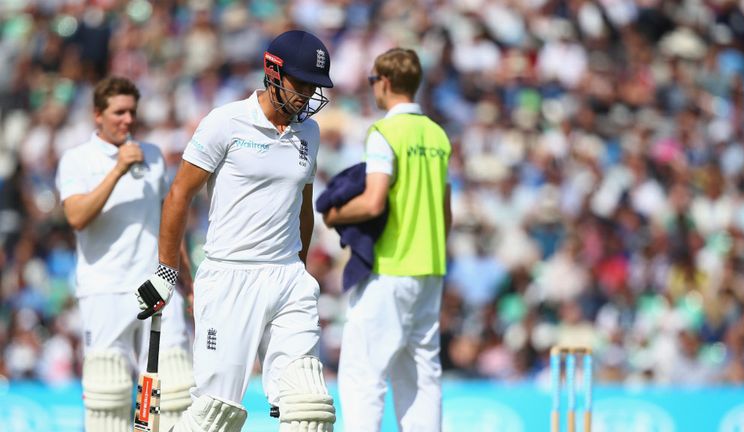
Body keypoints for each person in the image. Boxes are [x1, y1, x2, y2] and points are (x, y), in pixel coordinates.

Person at [134, 30, 337, 432]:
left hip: (288, 278)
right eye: (300, 83)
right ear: (273, 72)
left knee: (309, 406)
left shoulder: (309, 134)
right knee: (216, 414)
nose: (307, 95)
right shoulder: (226, 122)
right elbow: (178, 195)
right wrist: (166, 272)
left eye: (314, 86)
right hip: (230, 277)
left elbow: (303, 205)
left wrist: (298, 270)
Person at [321, 48, 452, 432]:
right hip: (430, 268)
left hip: (391, 265)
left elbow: (373, 200)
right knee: (422, 377)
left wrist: (333, 215)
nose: (371, 87)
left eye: (372, 80)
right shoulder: (437, 134)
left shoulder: (385, 132)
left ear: (386, 82)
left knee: (363, 374)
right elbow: (445, 211)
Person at [55, 76, 194, 432]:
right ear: (97, 115)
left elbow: (169, 222)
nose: (128, 120)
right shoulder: (77, 160)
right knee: (109, 396)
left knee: (175, 391)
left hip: (158, 285)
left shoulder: (153, 155)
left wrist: (188, 284)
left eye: (132, 112)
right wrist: (118, 169)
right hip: (105, 289)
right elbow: (76, 217)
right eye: (119, 112)